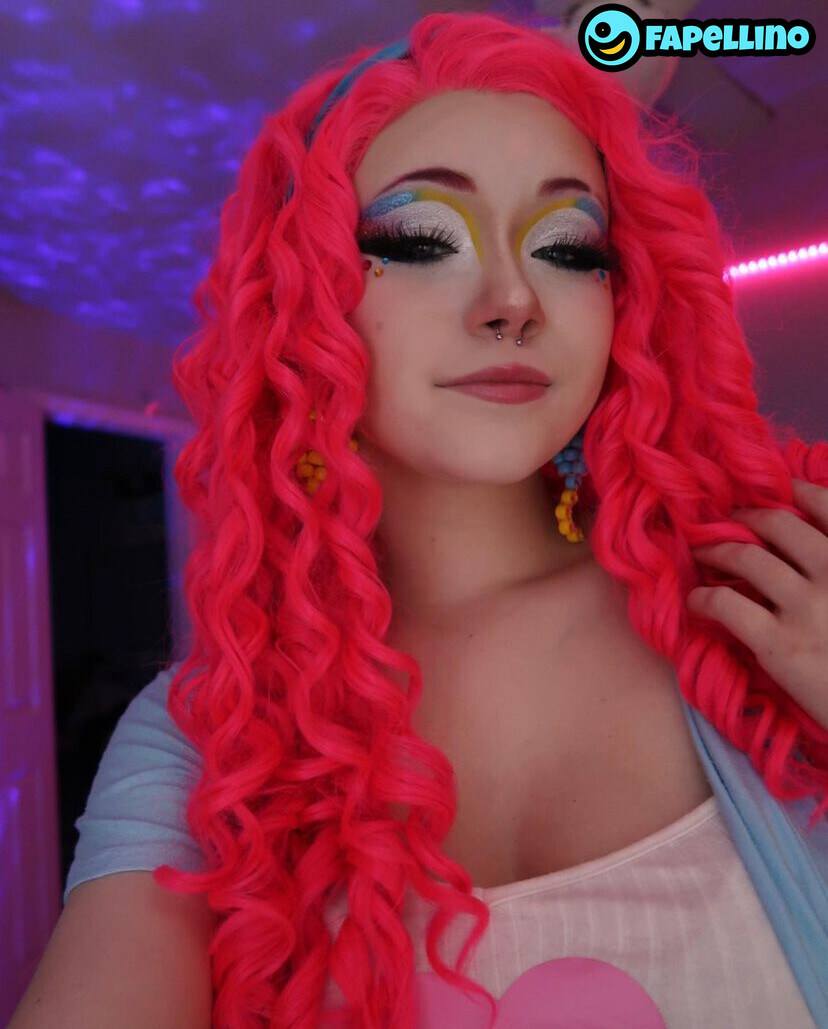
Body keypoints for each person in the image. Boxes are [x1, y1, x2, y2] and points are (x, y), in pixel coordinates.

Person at [10, 11, 828, 1029]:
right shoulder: (208, 743)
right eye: (422, 239)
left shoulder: (779, 600)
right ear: (303, 303)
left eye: (570, 247)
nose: (513, 299)